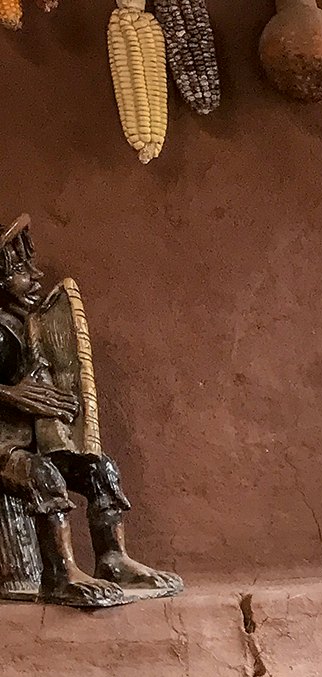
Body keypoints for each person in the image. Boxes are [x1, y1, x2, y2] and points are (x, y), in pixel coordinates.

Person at [0, 212, 180, 609]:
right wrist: (11, 396)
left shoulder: (32, 323)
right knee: (43, 475)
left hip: (38, 441)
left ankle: (112, 558)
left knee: (101, 469)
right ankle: (60, 573)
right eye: (19, 270)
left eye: (31, 264)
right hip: (5, 450)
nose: (34, 275)